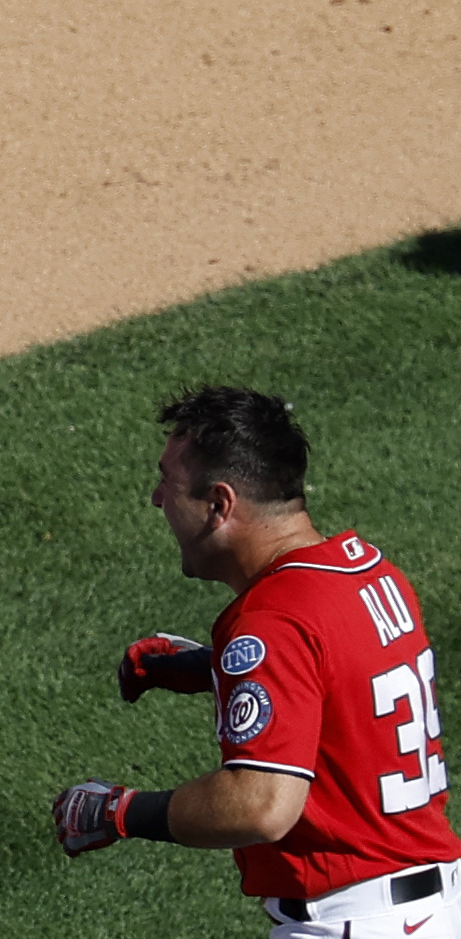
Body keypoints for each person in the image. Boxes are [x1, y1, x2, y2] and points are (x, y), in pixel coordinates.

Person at [53, 388, 461, 936]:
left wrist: (118, 812)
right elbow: (343, 677)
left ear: (220, 505)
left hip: (357, 921)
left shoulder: (274, 620)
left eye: (167, 483)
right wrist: (216, 667)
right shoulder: (366, 572)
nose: (156, 499)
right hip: (430, 907)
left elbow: (261, 805)